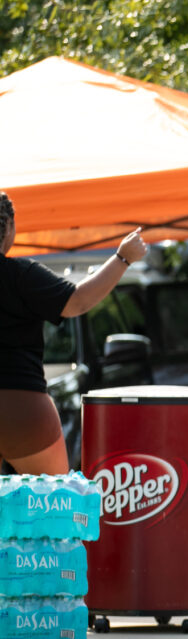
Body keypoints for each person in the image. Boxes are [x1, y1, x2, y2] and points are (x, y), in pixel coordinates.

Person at [0, 191, 148, 476]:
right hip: (23, 406)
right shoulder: (20, 274)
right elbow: (76, 302)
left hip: (24, 405)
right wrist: (122, 259)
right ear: (8, 226)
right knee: (53, 506)